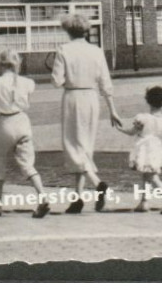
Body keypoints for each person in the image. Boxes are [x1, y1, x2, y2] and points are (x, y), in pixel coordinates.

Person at [52, 14, 123, 213]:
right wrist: (113, 110)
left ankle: (98, 183)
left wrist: (65, 78)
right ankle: (78, 198)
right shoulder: (96, 51)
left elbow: (56, 81)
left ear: (68, 31)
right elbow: (106, 83)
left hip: (73, 98)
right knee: (85, 147)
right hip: (92, 99)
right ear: (86, 31)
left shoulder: (63, 50)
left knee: (73, 146)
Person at [0, 49, 50, 219]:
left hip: (5, 123)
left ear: (0, 64)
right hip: (22, 121)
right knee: (27, 165)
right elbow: (25, 102)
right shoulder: (26, 82)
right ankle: (42, 197)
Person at [116, 85, 162, 213]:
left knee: (152, 176)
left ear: (148, 101)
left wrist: (120, 129)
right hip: (156, 147)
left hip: (144, 147)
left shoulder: (142, 118)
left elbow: (132, 132)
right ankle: (144, 202)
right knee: (147, 175)